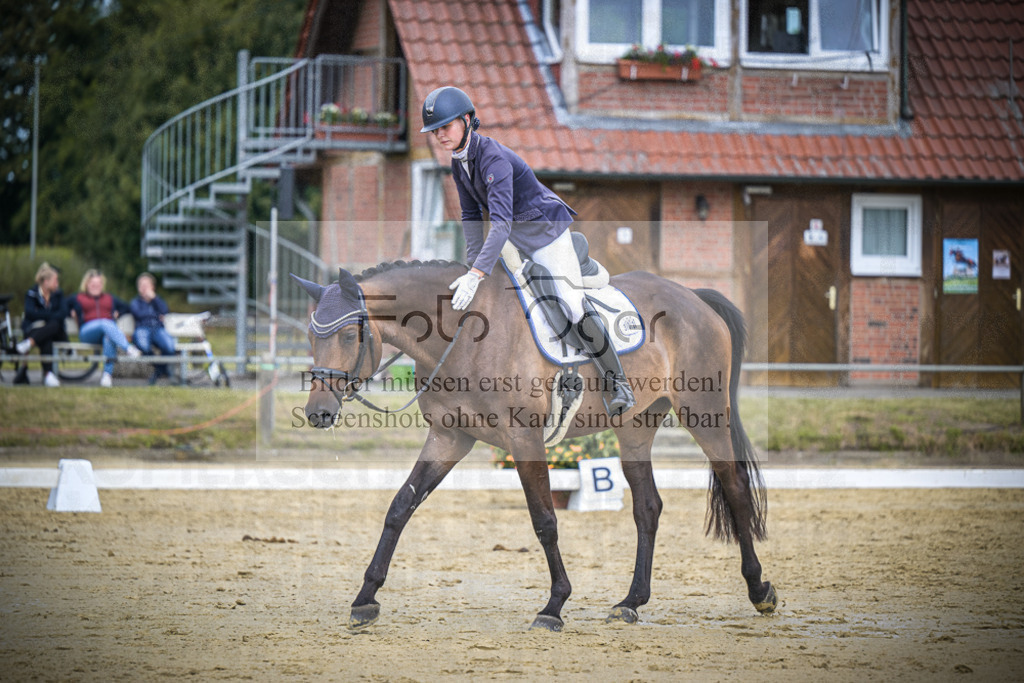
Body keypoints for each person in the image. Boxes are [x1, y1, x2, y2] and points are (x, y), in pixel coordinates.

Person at [419, 86, 635, 416]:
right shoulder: (459, 163)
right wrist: (470, 268)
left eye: (445, 127)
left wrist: (476, 274)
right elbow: (471, 216)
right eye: (435, 130)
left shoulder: (493, 159)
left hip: (545, 234)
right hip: (515, 239)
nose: (439, 135)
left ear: (467, 120)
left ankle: (618, 383)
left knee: (571, 305)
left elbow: (500, 224)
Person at [69, 269, 141, 387]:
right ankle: (128, 348)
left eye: (98, 283)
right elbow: (61, 308)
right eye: (93, 284)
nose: (96, 286)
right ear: (86, 284)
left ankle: (107, 376)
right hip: (87, 333)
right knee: (104, 322)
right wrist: (71, 312)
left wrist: (118, 313)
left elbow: (127, 307)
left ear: (102, 285)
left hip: (107, 332)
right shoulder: (77, 298)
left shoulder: (110, 298)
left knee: (108, 337)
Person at [15, 262, 70, 387]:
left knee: (54, 325)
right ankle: (48, 375)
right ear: (46, 282)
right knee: (47, 337)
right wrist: (50, 315)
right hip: (36, 330)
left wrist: (41, 314)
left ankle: (29, 343)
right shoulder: (31, 293)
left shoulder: (58, 294)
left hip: (56, 331)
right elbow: (30, 314)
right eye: (55, 280)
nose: (57, 284)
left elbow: (63, 313)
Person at [130, 272, 177, 385]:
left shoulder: (157, 301)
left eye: (146, 285)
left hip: (158, 329)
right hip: (142, 329)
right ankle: (162, 370)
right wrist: (156, 315)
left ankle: (158, 372)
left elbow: (165, 310)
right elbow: (138, 314)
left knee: (170, 346)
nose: (144, 288)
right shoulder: (135, 302)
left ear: (152, 287)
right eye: (141, 285)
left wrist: (155, 298)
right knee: (142, 345)